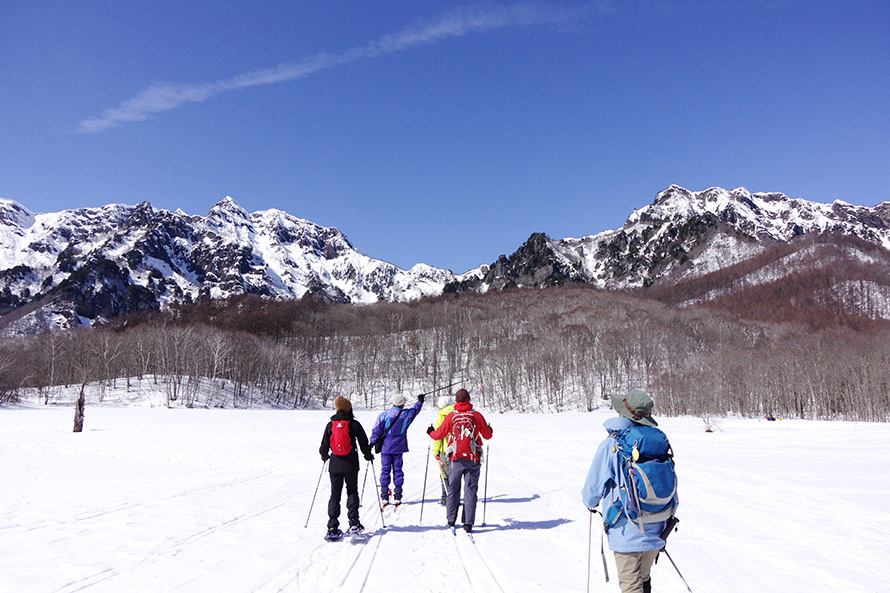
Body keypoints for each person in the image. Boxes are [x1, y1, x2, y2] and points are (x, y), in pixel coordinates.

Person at [581, 390, 679, 593]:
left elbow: (593, 488)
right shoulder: (658, 442)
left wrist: (589, 502)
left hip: (627, 526)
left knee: (631, 585)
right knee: (644, 578)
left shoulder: (613, 443)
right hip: (659, 521)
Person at [426, 388, 493, 533]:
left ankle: (451, 520)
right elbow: (487, 436)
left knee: (453, 490)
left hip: (455, 459)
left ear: (456, 401)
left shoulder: (451, 416)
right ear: (469, 400)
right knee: (470, 490)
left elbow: (439, 435)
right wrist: (490, 429)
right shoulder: (476, 415)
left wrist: (430, 431)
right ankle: (468, 523)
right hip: (472, 458)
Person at [319, 396, 374, 539]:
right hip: (351, 464)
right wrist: (368, 455)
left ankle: (332, 526)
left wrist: (325, 457)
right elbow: (363, 443)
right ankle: (354, 521)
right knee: (352, 492)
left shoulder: (330, 425)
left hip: (335, 465)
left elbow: (323, 447)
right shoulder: (354, 424)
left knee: (335, 495)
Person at [369, 392, 425, 505]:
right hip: (399, 448)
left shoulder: (384, 415)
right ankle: (397, 495)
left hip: (386, 448)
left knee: (385, 470)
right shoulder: (406, 415)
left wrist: (372, 442)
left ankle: (384, 494)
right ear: (403, 405)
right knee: (398, 470)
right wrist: (420, 402)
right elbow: (415, 411)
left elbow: (376, 430)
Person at [432, 395, 455, 505]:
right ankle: (454, 495)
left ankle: (446, 497)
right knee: (454, 473)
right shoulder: (456, 414)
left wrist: (435, 450)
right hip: (455, 449)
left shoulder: (441, 417)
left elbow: (438, 436)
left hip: (444, 449)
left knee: (444, 474)